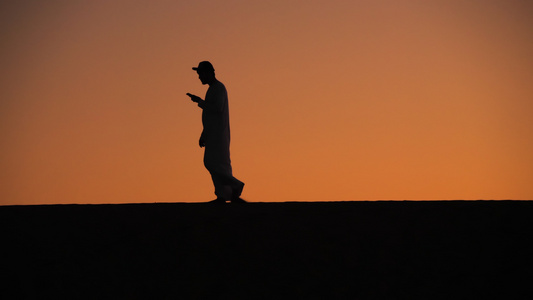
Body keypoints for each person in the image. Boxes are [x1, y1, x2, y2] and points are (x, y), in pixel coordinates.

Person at [186, 61, 245, 204]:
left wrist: (200, 101)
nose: (199, 77)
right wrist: (204, 135)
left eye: (201, 74)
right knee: (216, 163)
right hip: (213, 134)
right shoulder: (213, 89)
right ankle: (223, 195)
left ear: (209, 73)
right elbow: (210, 117)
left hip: (219, 135)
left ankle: (235, 186)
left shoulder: (219, 88)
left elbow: (216, 108)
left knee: (214, 163)